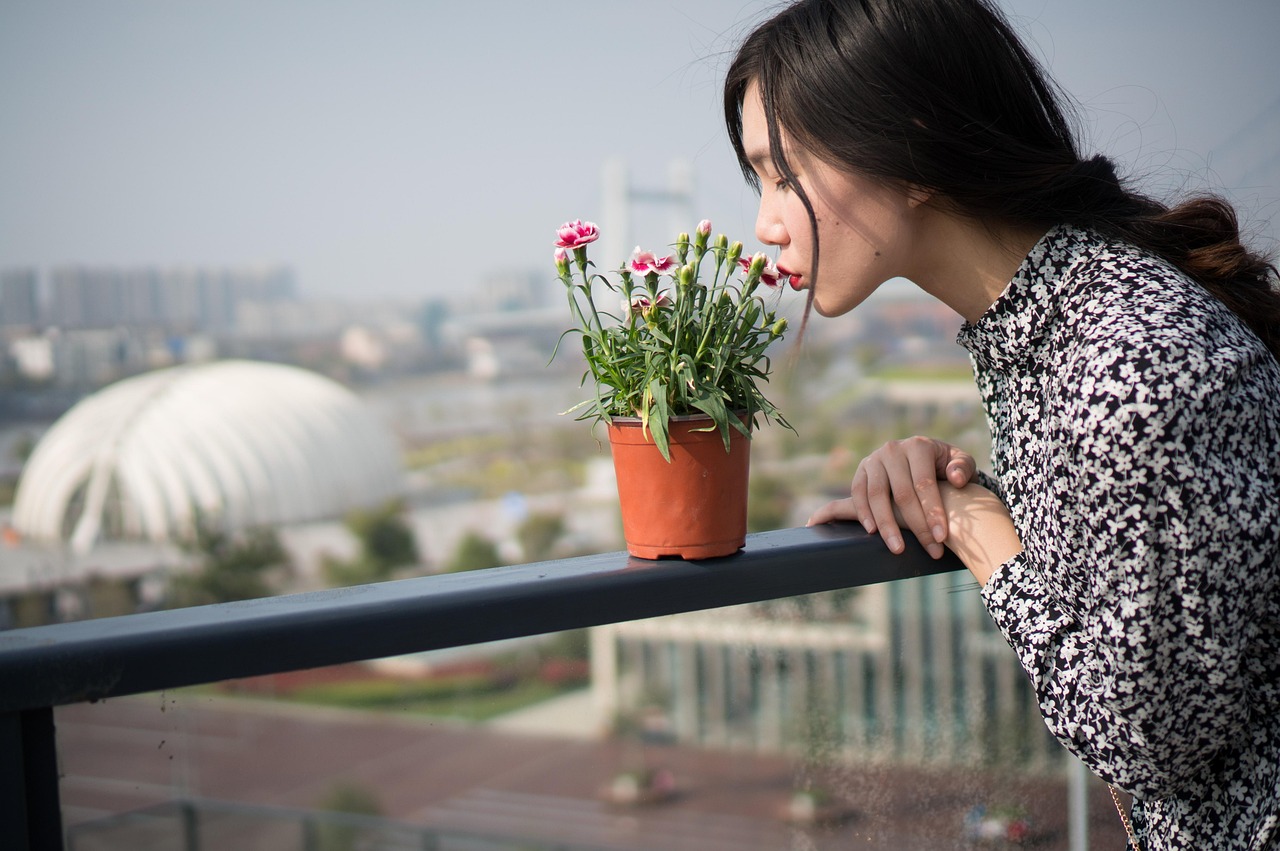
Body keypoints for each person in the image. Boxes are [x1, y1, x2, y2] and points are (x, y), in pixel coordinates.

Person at [722, 1, 1280, 848]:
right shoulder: (1053, 328)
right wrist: (953, 477)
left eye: (781, 170)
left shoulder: (1129, 361)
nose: (764, 223)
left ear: (908, 148)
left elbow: (1149, 737)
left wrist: (980, 528)